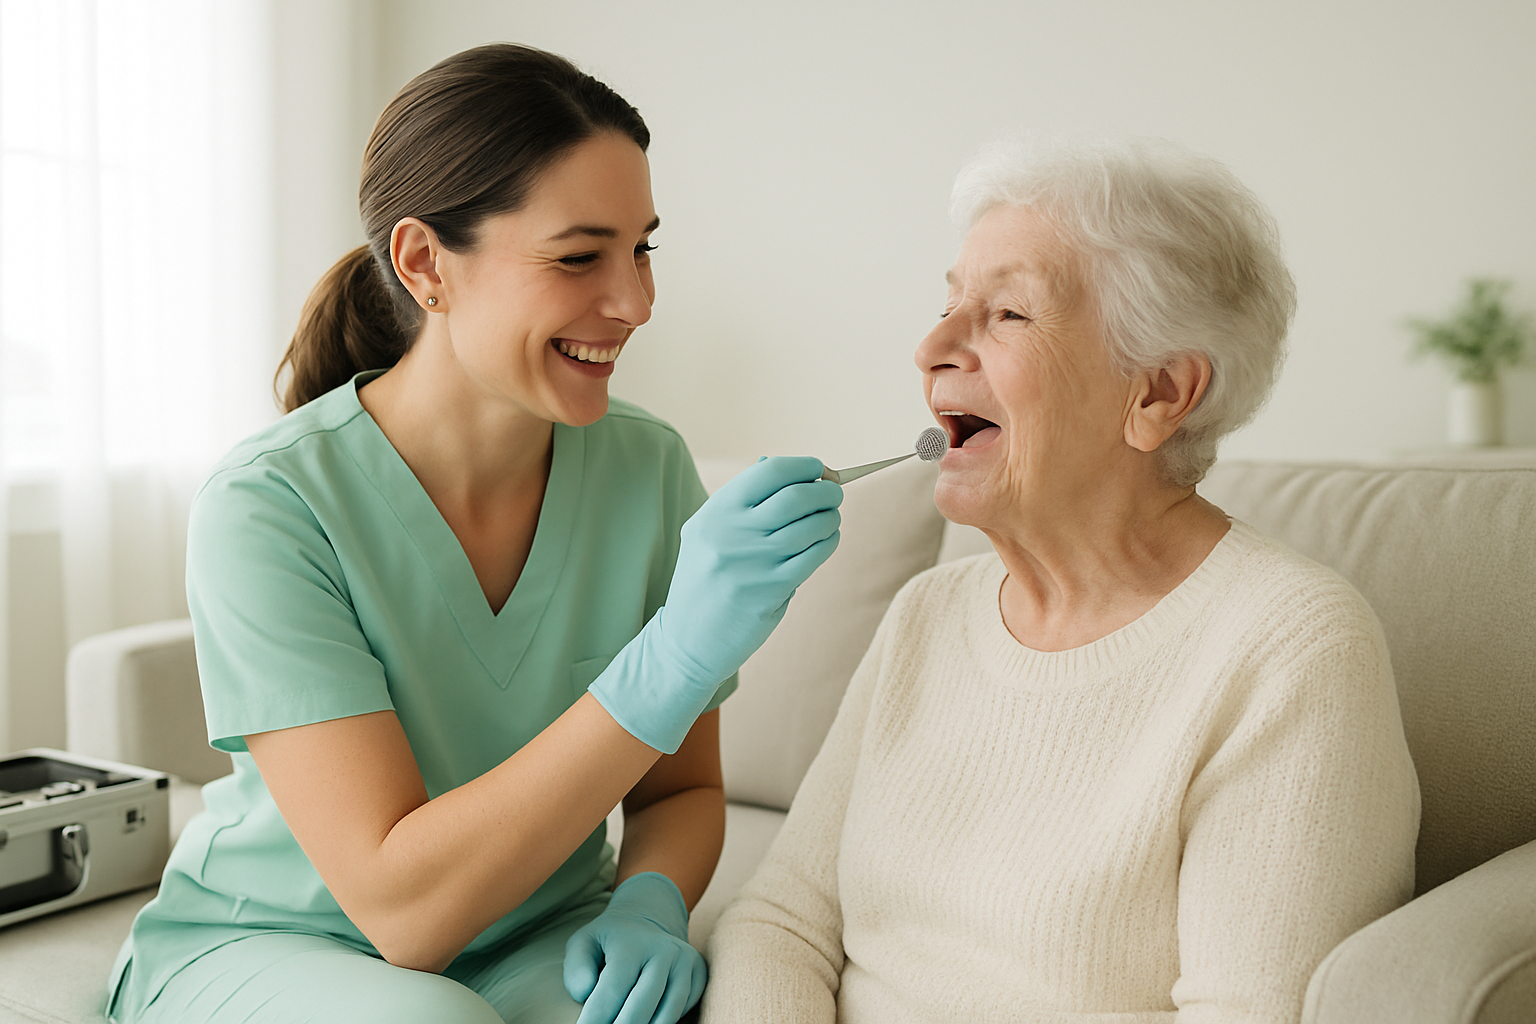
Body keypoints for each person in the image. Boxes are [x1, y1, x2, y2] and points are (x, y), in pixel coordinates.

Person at [106, 44, 842, 1024]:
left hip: (538, 933)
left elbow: (678, 794)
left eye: (642, 248)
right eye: (581, 256)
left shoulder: (648, 467)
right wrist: (672, 655)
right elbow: (402, 912)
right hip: (278, 942)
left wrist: (650, 903)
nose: (635, 302)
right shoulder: (269, 503)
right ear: (424, 264)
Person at [700, 137, 1420, 1024]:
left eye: (1007, 314)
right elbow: (779, 922)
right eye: (948, 303)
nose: (930, 347)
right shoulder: (929, 613)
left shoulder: (1292, 649)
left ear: (1157, 393)